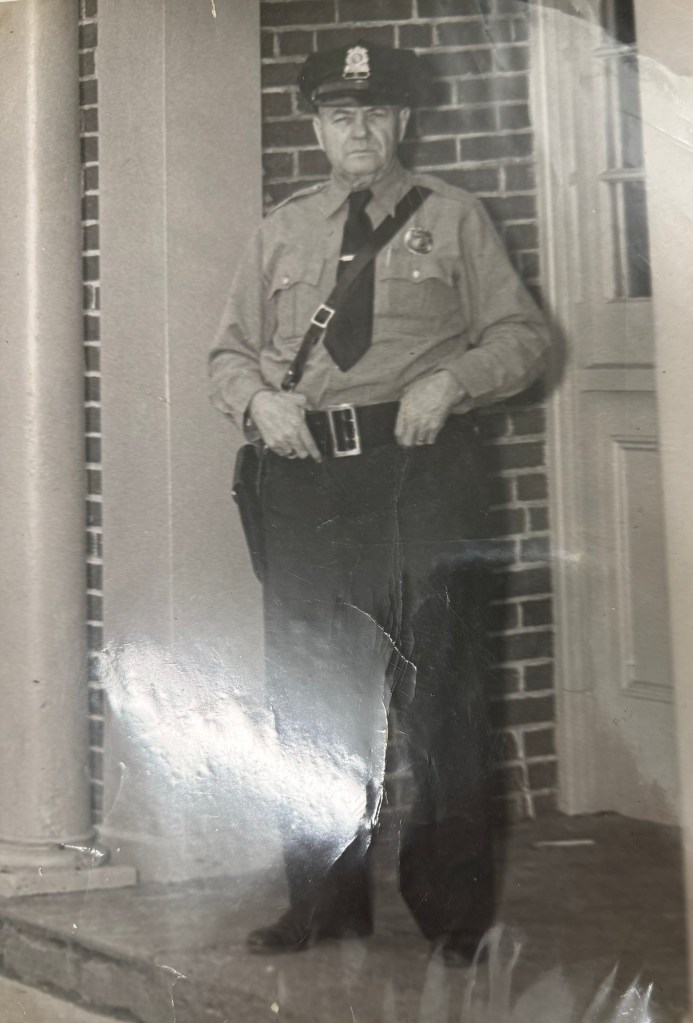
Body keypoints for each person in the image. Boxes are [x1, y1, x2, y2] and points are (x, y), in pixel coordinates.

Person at [209, 40, 549, 965]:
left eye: (374, 112)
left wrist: (455, 380)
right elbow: (228, 353)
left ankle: (453, 916)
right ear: (317, 128)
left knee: (443, 694)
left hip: (421, 473)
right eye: (339, 114)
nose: (357, 129)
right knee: (310, 691)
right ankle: (322, 901)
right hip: (307, 478)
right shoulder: (281, 229)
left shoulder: (454, 216)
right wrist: (257, 401)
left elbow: (524, 339)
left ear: (402, 120)